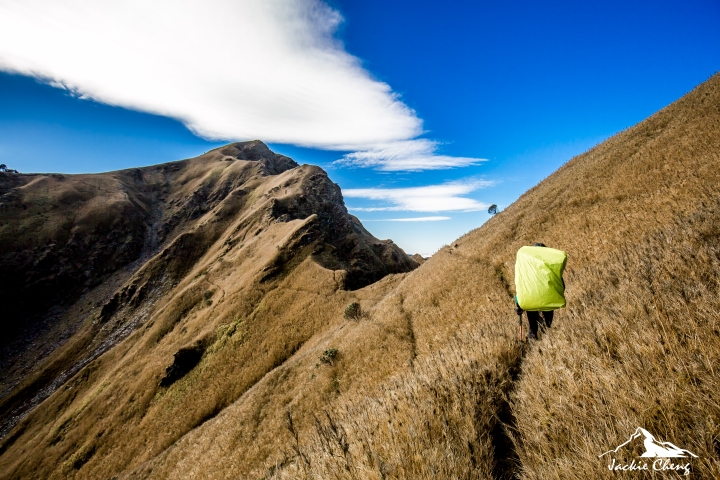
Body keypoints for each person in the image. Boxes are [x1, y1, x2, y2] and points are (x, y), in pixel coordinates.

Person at [514, 242, 566, 341]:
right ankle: (547, 337)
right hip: (548, 300)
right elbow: (562, 285)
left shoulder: (526, 270)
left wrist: (518, 304)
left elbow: (520, 287)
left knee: (532, 327)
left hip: (530, 301)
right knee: (548, 323)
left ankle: (533, 336)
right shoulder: (549, 268)